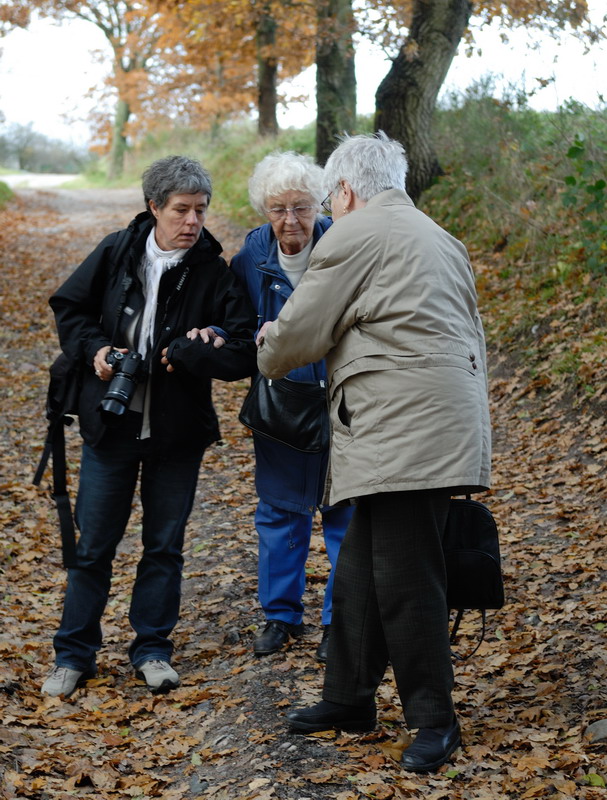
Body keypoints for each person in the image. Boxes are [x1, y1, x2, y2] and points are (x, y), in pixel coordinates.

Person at [256, 132, 491, 772]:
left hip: (402, 429)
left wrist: (266, 340)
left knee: (408, 579)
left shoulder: (356, 235)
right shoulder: (440, 237)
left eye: (332, 193)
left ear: (348, 190)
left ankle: (435, 722)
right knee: (360, 569)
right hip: (440, 422)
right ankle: (349, 700)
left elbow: (297, 335)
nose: (331, 205)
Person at [41, 155, 257, 698]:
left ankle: (153, 649)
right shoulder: (117, 251)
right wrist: (96, 351)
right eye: (181, 210)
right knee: (94, 548)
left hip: (176, 434)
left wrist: (193, 352)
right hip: (109, 427)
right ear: (153, 207)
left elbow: (243, 352)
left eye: (201, 211)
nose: (192, 222)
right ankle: (74, 655)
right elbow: (70, 306)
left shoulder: (212, 269)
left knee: (164, 546)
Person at [230, 151, 353, 661]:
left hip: (340, 398)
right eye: (278, 209)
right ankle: (280, 616)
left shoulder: (344, 245)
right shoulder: (251, 256)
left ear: (318, 205)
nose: (290, 221)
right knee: (280, 511)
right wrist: (218, 335)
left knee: (343, 511)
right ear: (264, 210)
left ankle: (339, 621)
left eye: (301, 207)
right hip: (280, 405)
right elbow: (233, 320)